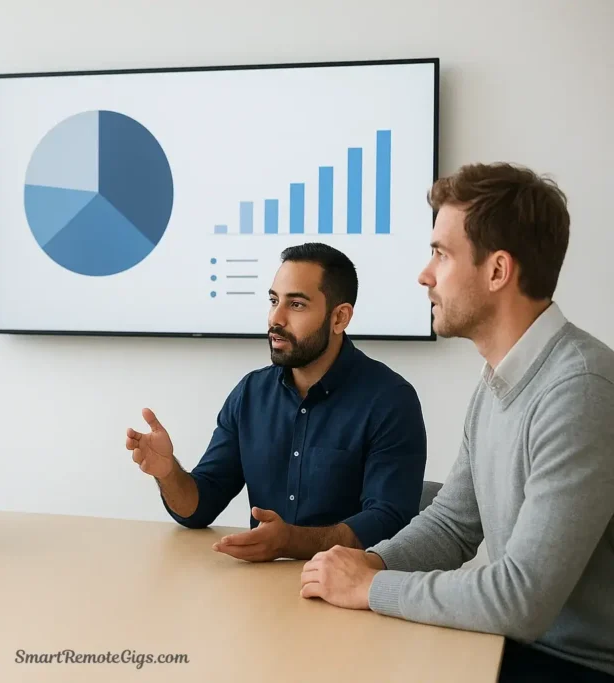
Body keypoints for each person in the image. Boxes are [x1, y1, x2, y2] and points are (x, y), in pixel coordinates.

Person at [300, 163, 614, 682]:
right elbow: (452, 523)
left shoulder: (579, 389)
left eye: (441, 254)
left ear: (496, 271)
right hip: (513, 648)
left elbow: (521, 599)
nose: (425, 274)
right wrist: (371, 565)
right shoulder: (500, 378)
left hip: (574, 664)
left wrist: (370, 588)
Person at [126, 243, 427, 561]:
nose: (275, 318)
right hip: (261, 593)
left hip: (348, 592)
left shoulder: (390, 400)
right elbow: (199, 507)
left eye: (296, 305)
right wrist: (168, 472)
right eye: (273, 301)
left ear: (339, 318)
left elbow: (389, 522)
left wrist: (291, 542)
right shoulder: (250, 393)